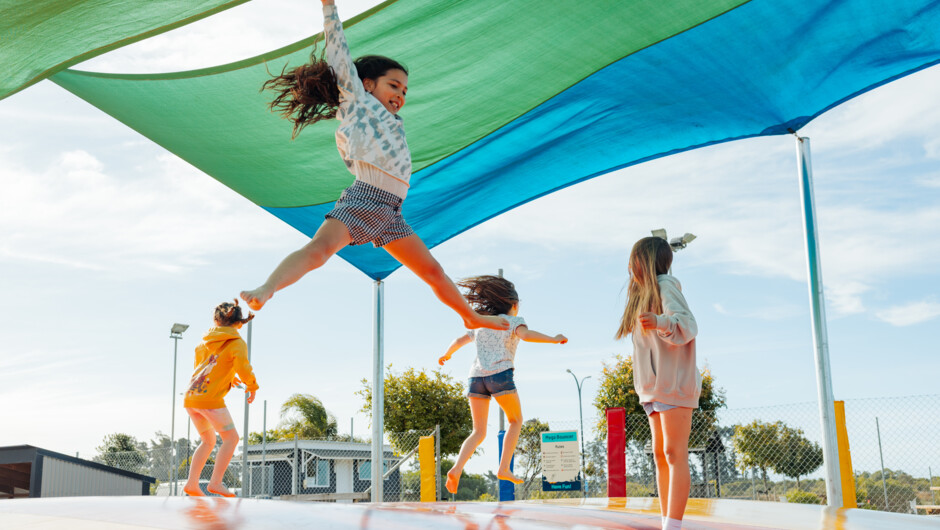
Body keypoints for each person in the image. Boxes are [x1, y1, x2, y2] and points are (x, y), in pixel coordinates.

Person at [239, 0, 508, 332]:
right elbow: (338, 52)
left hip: (391, 212)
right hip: (363, 199)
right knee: (319, 251)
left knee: (432, 272)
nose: (401, 94)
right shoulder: (358, 102)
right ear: (367, 84)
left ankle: (470, 316)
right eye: (393, 85)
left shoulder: (394, 120)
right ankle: (267, 288)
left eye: (405, 90)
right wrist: (328, 7)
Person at [438, 275, 567, 494]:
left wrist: (446, 354)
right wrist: (553, 338)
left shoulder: (480, 321)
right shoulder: (513, 321)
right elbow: (526, 336)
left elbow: (459, 340)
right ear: (514, 306)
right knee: (515, 420)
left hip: (476, 378)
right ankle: (504, 468)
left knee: (478, 431)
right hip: (500, 375)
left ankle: (457, 467)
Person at [615, 237, 699, 530]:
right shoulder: (643, 294)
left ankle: (672, 525)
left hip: (673, 384)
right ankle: (667, 521)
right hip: (653, 389)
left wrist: (662, 322)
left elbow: (688, 325)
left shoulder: (666, 285)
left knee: (674, 453)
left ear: (645, 261)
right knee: (662, 454)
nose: (630, 266)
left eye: (634, 259)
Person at [182, 299, 259, 497]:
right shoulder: (237, 342)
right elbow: (242, 366)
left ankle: (192, 483)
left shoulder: (203, 342)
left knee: (207, 440)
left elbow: (204, 368)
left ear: (216, 322)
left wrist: (228, 377)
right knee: (231, 438)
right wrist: (251, 385)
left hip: (191, 397)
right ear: (239, 323)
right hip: (210, 401)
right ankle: (215, 482)